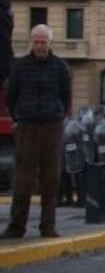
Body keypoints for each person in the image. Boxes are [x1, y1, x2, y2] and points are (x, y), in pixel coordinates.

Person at [3, 25, 72, 238]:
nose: (40, 46)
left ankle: (48, 225)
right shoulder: (19, 67)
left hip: (52, 126)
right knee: (23, 180)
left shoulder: (61, 67)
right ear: (31, 42)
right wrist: (18, 118)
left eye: (44, 42)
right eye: (37, 42)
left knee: (51, 178)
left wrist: (58, 116)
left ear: (50, 43)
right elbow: (11, 96)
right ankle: (16, 226)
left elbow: (66, 96)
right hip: (27, 126)